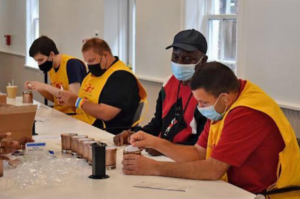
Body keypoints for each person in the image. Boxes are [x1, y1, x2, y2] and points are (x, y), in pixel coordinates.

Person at [122, 62, 300, 198]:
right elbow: (198, 153)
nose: (199, 108)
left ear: (224, 97)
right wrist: (155, 142)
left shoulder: (246, 113)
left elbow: (212, 170)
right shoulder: (224, 105)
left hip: (266, 194)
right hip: (234, 189)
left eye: (203, 103)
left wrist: (155, 168)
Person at [114, 29, 207, 156]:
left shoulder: (207, 93)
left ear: (203, 61)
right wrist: (135, 134)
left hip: (186, 159)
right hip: (162, 155)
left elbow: (202, 144)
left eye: (187, 59)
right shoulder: (169, 83)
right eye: (175, 57)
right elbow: (158, 123)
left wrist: (164, 148)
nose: (179, 63)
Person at [58, 38, 147, 135]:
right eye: (87, 62)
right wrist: (69, 101)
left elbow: (105, 114)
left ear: (105, 55)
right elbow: (81, 107)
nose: (89, 65)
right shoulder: (92, 74)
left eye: (91, 60)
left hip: (105, 133)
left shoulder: (122, 77)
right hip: (82, 125)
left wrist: (76, 101)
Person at [25, 36, 87, 114]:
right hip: (59, 112)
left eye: (40, 60)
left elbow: (75, 99)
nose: (39, 64)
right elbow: (54, 98)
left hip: (74, 114)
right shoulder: (52, 67)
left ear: (51, 54)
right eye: (37, 61)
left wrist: (45, 86)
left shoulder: (71, 64)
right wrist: (38, 87)